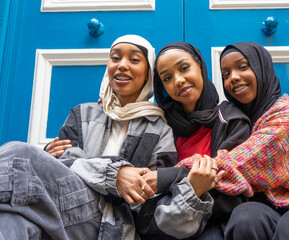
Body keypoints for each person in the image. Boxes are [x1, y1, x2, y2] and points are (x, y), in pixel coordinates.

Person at [0, 34, 179, 239]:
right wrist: (115, 175)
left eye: (134, 59)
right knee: (11, 219)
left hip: (115, 224)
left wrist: (76, 164)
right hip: (65, 205)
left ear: (148, 73)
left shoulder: (160, 129)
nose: (122, 65)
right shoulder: (82, 113)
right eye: (115, 57)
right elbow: (62, 164)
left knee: (19, 153)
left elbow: (149, 195)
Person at [178, 42, 289, 239]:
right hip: (272, 209)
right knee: (245, 218)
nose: (234, 77)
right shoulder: (235, 121)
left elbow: (234, 164)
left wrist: (162, 177)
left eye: (242, 66)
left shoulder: (288, 115)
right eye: (225, 74)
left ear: (261, 67)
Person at [135, 42, 251, 240]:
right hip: (170, 227)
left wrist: (172, 180)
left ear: (200, 67)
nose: (178, 81)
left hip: (218, 224)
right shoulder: (161, 125)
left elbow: (232, 184)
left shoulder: (231, 119)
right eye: (167, 78)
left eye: (184, 68)